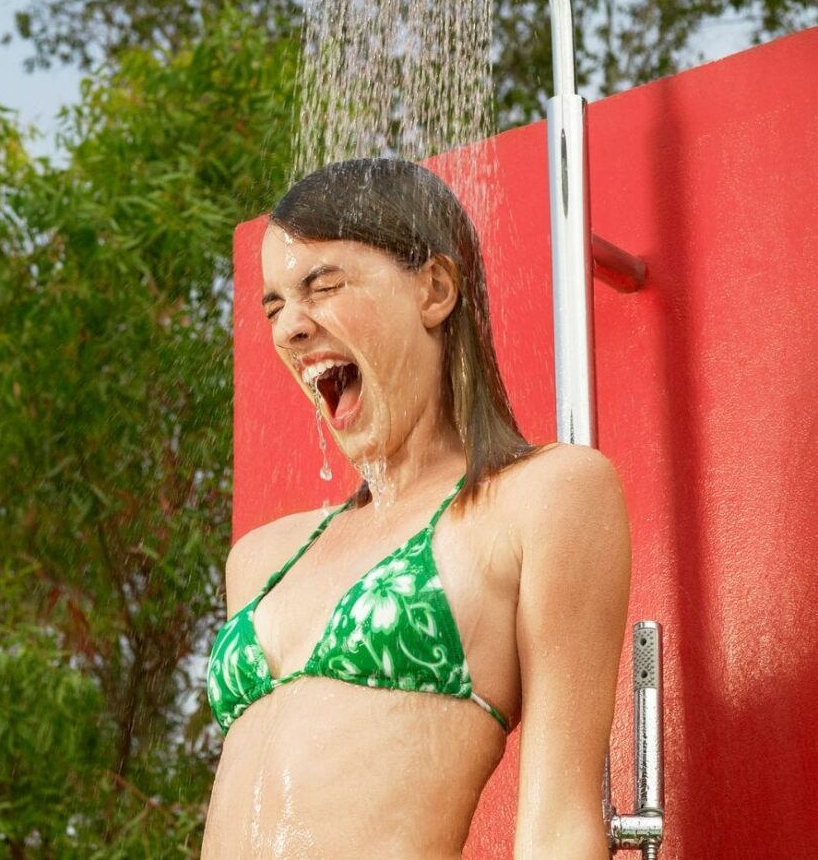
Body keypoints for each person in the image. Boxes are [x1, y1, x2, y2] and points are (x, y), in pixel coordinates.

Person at [201, 158, 631, 859]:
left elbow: (559, 827)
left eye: (323, 286)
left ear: (434, 288)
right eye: (274, 305)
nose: (291, 328)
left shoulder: (541, 496)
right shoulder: (263, 558)